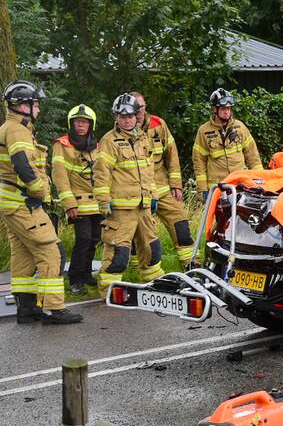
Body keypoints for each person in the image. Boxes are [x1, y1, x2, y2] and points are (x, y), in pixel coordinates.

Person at [0, 81, 82, 323]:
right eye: (35, 103)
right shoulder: (17, 130)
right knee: (52, 251)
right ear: (22, 105)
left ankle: (26, 309)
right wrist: (39, 192)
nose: (39, 108)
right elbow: (23, 164)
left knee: (24, 255)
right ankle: (54, 309)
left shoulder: (11, 127)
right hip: (23, 203)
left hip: (12, 203)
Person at [94, 93, 164, 295]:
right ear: (116, 117)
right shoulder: (109, 140)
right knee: (119, 254)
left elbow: (148, 170)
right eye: (122, 117)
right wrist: (103, 201)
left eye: (130, 116)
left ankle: (154, 286)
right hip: (121, 209)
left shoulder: (143, 138)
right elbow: (101, 173)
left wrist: (153, 196)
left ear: (136, 116)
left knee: (152, 250)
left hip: (143, 207)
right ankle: (108, 292)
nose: (127, 120)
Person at [133, 92, 194, 268]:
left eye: (142, 108)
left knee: (180, 223)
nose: (139, 113)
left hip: (163, 188)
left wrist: (176, 185)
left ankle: (191, 265)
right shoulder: (124, 130)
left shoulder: (158, 125)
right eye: (136, 109)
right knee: (142, 234)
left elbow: (172, 155)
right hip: (140, 192)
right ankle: (140, 270)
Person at [51, 104, 102, 295]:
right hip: (78, 203)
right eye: (77, 121)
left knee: (94, 239)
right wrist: (69, 203)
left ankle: (87, 274)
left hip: (97, 203)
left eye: (84, 122)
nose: (81, 125)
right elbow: (60, 177)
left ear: (91, 125)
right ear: (71, 123)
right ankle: (75, 279)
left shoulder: (96, 146)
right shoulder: (62, 145)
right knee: (83, 239)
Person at [192, 88, 262, 200]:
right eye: (224, 108)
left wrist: (259, 180)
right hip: (218, 188)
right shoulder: (204, 131)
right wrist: (202, 189)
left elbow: (253, 157)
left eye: (229, 109)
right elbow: (199, 162)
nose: (227, 112)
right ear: (215, 109)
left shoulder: (240, 127)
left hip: (240, 185)